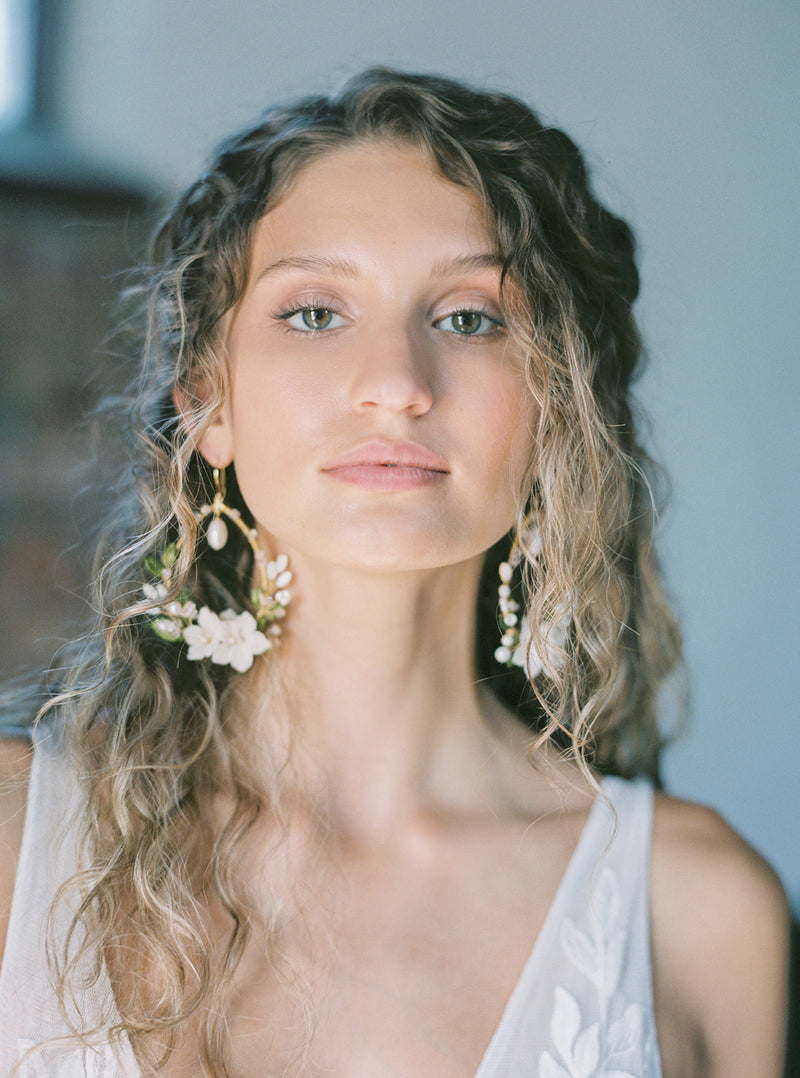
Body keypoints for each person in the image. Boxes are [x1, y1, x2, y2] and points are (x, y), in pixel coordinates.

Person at [0, 68, 789, 1078]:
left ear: (558, 406)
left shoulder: (697, 913)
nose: (395, 385)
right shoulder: (16, 837)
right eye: (315, 312)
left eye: (468, 317)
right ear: (209, 401)